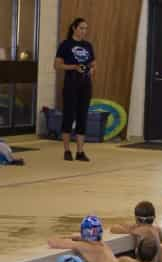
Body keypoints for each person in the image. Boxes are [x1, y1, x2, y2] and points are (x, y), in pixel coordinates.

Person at [48, 215, 136, 262]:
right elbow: (80, 236)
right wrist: (78, 237)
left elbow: (53, 242)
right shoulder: (103, 245)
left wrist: (65, 236)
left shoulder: (84, 247)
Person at [54, 18, 96, 162]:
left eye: (86, 28)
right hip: (71, 83)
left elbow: (92, 62)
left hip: (85, 84)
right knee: (68, 116)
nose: (84, 31)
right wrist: (74, 67)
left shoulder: (88, 45)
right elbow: (57, 65)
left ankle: (80, 151)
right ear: (74, 28)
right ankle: (67, 150)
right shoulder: (65, 45)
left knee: (82, 116)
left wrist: (91, 69)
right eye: (81, 28)